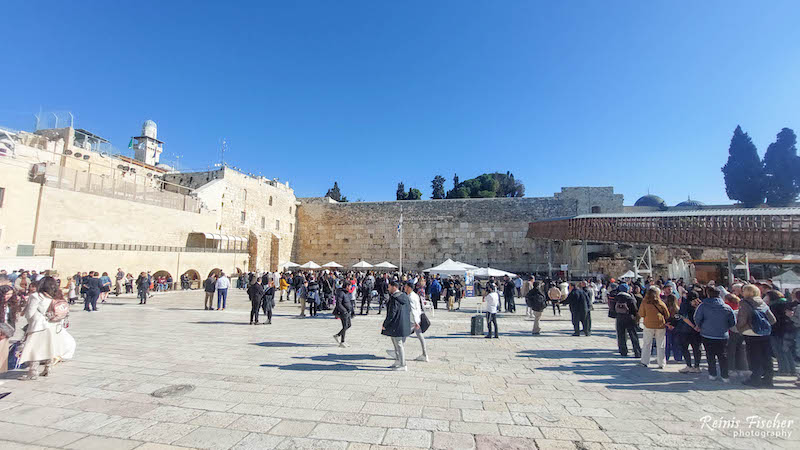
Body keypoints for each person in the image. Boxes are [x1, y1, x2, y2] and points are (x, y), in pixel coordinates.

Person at [738, 284, 777, 387]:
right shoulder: (762, 302)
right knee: (766, 356)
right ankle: (768, 379)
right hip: (765, 333)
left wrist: (740, 328)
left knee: (754, 357)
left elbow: (742, 319)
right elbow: (772, 320)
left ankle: (755, 378)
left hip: (750, 333)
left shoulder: (744, 303)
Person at [695, 285, 736, 382]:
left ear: (708, 294)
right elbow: (733, 322)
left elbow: (697, 318)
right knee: (723, 355)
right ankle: (725, 375)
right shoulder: (726, 307)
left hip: (707, 334)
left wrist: (701, 326)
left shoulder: (703, 306)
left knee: (710, 355)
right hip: (722, 334)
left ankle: (712, 373)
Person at [382, 280, 412, 371]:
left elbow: (392, 313)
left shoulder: (394, 298)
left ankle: (403, 364)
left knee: (399, 344)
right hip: (402, 323)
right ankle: (398, 361)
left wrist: (385, 324)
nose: (388, 288)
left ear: (394, 287)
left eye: (389, 286)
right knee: (396, 343)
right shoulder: (404, 296)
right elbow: (409, 309)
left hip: (396, 324)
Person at [638, 286, 669, 368]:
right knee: (661, 344)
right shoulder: (660, 302)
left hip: (648, 325)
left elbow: (641, 314)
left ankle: (645, 361)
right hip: (660, 324)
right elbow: (667, 314)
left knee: (647, 343)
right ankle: (661, 363)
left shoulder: (644, 302)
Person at [676, 290, 702, 373]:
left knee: (684, 348)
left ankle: (689, 365)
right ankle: (697, 366)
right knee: (697, 348)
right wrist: (697, 326)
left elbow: (684, 317)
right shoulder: (700, 305)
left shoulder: (685, 304)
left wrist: (693, 326)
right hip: (697, 330)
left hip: (685, 330)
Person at [613, 284, 641, 358]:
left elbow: (612, 309)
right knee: (633, 335)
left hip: (619, 318)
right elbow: (634, 309)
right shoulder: (629, 298)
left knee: (621, 335)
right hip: (629, 318)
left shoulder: (616, 297)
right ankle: (637, 352)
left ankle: (623, 351)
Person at [724, 293, 748, 377]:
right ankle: (742, 368)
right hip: (743, 331)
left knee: (731, 351)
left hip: (732, 331)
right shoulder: (740, 306)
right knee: (741, 350)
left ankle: (731, 368)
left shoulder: (727, 307)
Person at [404, 281, 429, 362]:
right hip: (417, 318)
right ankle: (425, 354)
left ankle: (398, 352)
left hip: (413, 320)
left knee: (403, 335)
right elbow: (418, 308)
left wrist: (415, 322)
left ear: (409, 288)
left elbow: (413, 310)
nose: (404, 288)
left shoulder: (410, 297)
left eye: (406, 286)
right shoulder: (415, 295)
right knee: (420, 336)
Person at [333, 280, 352, 348]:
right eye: (350, 286)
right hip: (343, 312)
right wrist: (344, 311)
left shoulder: (346, 293)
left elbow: (347, 302)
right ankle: (342, 341)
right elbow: (339, 303)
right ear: (347, 286)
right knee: (345, 326)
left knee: (349, 325)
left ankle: (337, 335)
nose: (350, 287)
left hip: (347, 311)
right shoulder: (341, 293)